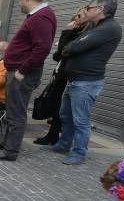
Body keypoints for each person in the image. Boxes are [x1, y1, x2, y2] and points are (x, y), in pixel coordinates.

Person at [0, 0, 57, 162]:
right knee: (12, 110)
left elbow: (42, 49)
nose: (19, 2)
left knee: (16, 112)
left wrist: (22, 71)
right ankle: (7, 144)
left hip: (22, 73)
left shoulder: (42, 17)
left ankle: (10, 150)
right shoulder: (37, 16)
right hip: (19, 71)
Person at [51, 0, 122, 165]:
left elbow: (72, 47)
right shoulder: (94, 27)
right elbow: (63, 51)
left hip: (86, 83)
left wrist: (70, 45)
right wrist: (75, 27)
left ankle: (79, 153)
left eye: (89, 8)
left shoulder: (108, 28)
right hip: (75, 81)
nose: (86, 10)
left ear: (100, 9)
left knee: (81, 120)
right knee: (65, 115)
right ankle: (64, 144)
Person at [33, 8, 90, 146]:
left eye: (79, 15)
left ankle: (60, 139)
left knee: (61, 109)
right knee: (56, 106)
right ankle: (53, 136)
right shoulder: (76, 33)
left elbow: (65, 51)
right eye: (76, 15)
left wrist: (66, 32)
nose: (76, 17)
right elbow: (59, 55)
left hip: (67, 77)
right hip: (60, 74)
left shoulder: (82, 35)